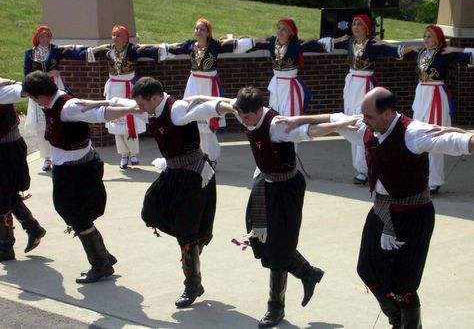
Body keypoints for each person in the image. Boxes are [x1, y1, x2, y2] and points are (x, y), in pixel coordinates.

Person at [277, 87, 474, 328]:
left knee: (405, 283)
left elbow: (459, 141)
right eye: (363, 115)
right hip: (382, 211)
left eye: (369, 116)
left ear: (388, 114)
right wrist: (299, 119)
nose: (362, 120)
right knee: (367, 270)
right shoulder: (366, 126)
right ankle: (396, 318)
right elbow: (335, 118)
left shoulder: (413, 133)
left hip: (415, 214)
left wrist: (465, 135)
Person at [185, 87, 357, 328]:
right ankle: (307, 272)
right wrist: (199, 99)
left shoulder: (276, 125)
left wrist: (340, 125)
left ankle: (275, 307)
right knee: (258, 237)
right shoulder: (242, 109)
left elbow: (311, 131)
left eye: (247, 118)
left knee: (279, 248)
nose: (243, 121)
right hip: (264, 182)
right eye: (241, 116)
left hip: (287, 188)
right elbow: (222, 103)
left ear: (258, 111)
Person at [22, 71, 141, 283]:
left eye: (32, 97)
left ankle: (100, 263)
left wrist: (134, 108)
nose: (33, 102)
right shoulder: (54, 102)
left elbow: (102, 113)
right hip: (69, 170)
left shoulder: (68, 107)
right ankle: (102, 256)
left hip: (77, 172)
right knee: (72, 213)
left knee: (76, 215)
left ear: (40, 97)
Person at [129, 76, 231, 308]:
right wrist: (93, 105)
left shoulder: (177, 109)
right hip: (173, 171)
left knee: (186, 232)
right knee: (151, 210)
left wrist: (235, 106)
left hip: (194, 174)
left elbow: (209, 107)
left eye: (142, 104)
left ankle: (192, 284)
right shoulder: (151, 108)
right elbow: (117, 105)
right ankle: (192, 246)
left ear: (154, 98)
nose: (140, 108)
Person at [154, 17, 254, 166]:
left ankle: (212, 158)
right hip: (193, 84)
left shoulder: (214, 45)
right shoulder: (190, 45)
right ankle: (197, 155)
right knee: (192, 121)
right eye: (196, 28)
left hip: (209, 86)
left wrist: (251, 41)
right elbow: (173, 49)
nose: (198, 31)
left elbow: (234, 46)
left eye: (202, 29)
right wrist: (153, 48)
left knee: (207, 125)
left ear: (208, 32)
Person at [402, 24, 474, 194]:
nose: (426, 39)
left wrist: (454, 48)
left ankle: (434, 182)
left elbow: (468, 56)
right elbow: (395, 50)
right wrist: (406, 48)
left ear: (437, 39)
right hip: (421, 95)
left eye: (429, 36)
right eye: (424, 36)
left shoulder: (444, 54)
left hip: (435, 96)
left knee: (435, 136)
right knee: (417, 135)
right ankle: (419, 177)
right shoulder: (420, 53)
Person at [336, 14, 404, 185]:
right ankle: (360, 168)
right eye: (354, 24)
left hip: (365, 85)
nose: (356, 27)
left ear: (367, 28)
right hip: (351, 84)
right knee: (351, 122)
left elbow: (394, 51)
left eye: (360, 24)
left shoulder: (373, 44)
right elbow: (321, 43)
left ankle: (367, 166)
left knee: (365, 124)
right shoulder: (349, 41)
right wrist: (338, 39)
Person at [87, 24, 166, 169]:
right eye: (114, 35)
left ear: (125, 38)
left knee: (132, 118)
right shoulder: (108, 50)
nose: (115, 38)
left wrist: (155, 46)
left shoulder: (132, 50)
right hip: (114, 88)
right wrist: (99, 47)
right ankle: (123, 155)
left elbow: (150, 51)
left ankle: (133, 153)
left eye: (119, 35)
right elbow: (87, 53)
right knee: (116, 119)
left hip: (128, 87)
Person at [248, 18, 343, 117]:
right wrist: (240, 42)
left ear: (291, 33)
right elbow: (256, 43)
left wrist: (339, 40)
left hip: (290, 86)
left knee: (290, 114)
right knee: (274, 112)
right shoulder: (271, 42)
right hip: (276, 85)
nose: (280, 31)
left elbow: (318, 45)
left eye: (284, 29)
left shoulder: (296, 44)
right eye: (279, 28)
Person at [24, 25, 87, 171]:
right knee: (42, 127)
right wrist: (48, 75)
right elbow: (27, 75)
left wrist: (92, 50)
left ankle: (57, 155)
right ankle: (46, 157)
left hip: (55, 89)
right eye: (42, 36)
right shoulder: (30, 54)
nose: (45, 39)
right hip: (38, 92)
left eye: (47, 35)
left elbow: (74, 54)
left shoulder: (55, 50)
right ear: (37, 38)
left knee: (57, 122)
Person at [0, 78, 46, 261]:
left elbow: (22, 90)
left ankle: (5, 247)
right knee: (7, 194)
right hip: (8, 149)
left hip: (6, 149)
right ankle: (33, 228)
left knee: (2, 198)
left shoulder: (4, 91)